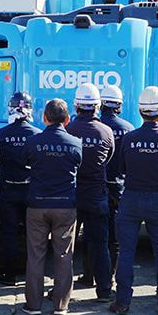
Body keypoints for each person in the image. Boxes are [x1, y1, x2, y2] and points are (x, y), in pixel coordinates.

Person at [110, 86, 158, 315]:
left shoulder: (129, 138)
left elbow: (122, 168)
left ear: (140, 111)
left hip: (131, 196)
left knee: (126, 251)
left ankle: (122, 302)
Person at [22, 99, 82, 315]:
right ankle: (61, 305)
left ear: (44, 118)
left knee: (35, 255)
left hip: (37, 204)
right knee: (64, 255)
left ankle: (33, 305)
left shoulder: (33, 142)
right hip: (65, 205)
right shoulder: (76, 143)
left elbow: (27, 163)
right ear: (67, 120)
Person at [66, 83, 115, 302]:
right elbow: (108, 159)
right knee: (100, 245)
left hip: (73, 194)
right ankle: (104, 290)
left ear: (76, 106)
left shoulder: (69, 130)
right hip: (96, 195)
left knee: (65, 247)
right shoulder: (106, 131)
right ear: (97, 106)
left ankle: (62, 291)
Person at [0, 91, 40, 286]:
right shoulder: (37, 135)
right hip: (30, 192)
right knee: (34, 236)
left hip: (8, 191)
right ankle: (33, 275)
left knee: (9, 234)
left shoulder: (1, 135)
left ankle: (10, 275)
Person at [99, 85, 134, 281]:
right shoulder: (128, 129)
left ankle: (91, 274)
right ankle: (111, 273)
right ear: (119, 105)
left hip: (95, 188)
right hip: (119, 189)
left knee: (93, 234)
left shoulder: (95, 127)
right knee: (115, 235)